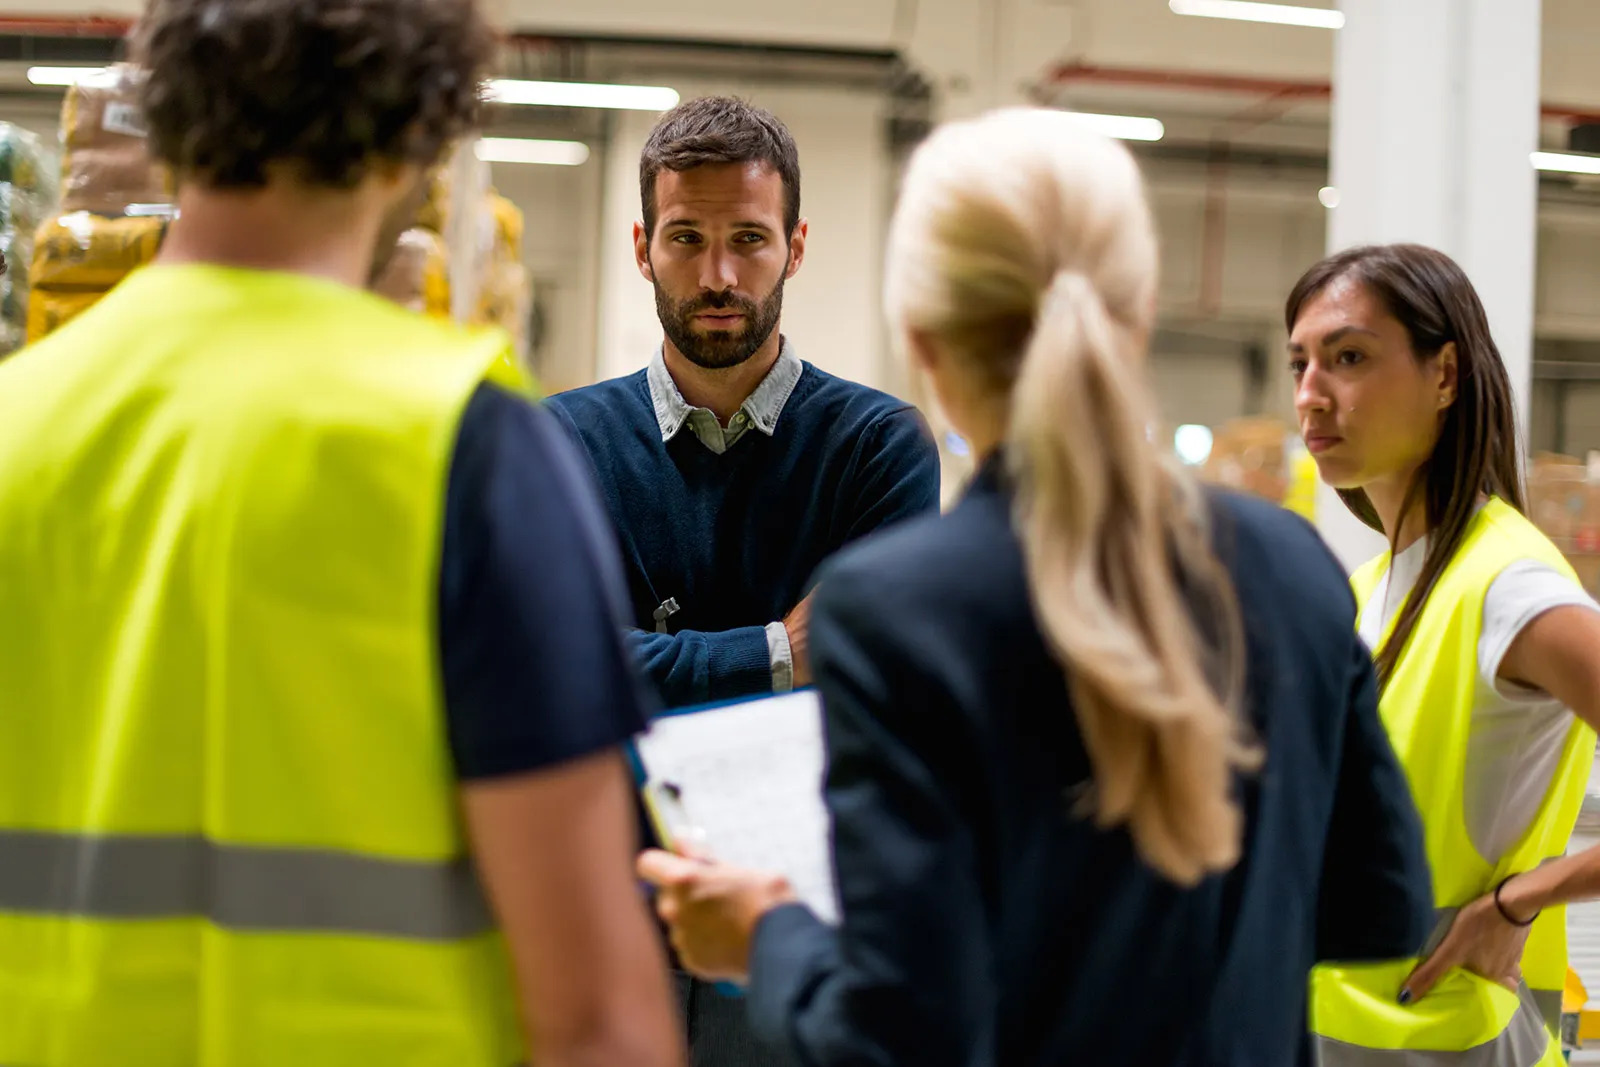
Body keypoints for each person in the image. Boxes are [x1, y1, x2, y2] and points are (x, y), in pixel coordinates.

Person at [638, 107, 1435, 1067]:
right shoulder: (1294, 565)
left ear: (924, 342)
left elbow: (897, 1030)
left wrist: (765, 937)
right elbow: (1381, 908)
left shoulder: (896, 610)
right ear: (1137, 319)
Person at [0, 2, 682, 1066]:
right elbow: (599, 1018)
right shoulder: (464, 446)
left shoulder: (16, 424)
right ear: (424, 129)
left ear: (168, 105)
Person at [1282, 244, 1600, 1066]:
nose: (1312, 394)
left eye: (1348, 357)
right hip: (1333, 1029)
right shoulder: (1366, 588)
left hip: (1452, 1042)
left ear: (1446, 375)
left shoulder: (1511, 587)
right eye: (1300, 363)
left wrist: (1521, 902)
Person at [545, 95, 941, 713]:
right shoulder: (561, 440)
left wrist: (645, 662)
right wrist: (779, 653)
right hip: (625, 809)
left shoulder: (879, 447)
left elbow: (883, 674)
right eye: (686, 238)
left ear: (796, 248)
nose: (718, 277)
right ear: (643, 249)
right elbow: (552, 664)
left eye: (749, 238)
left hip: (815, 809)